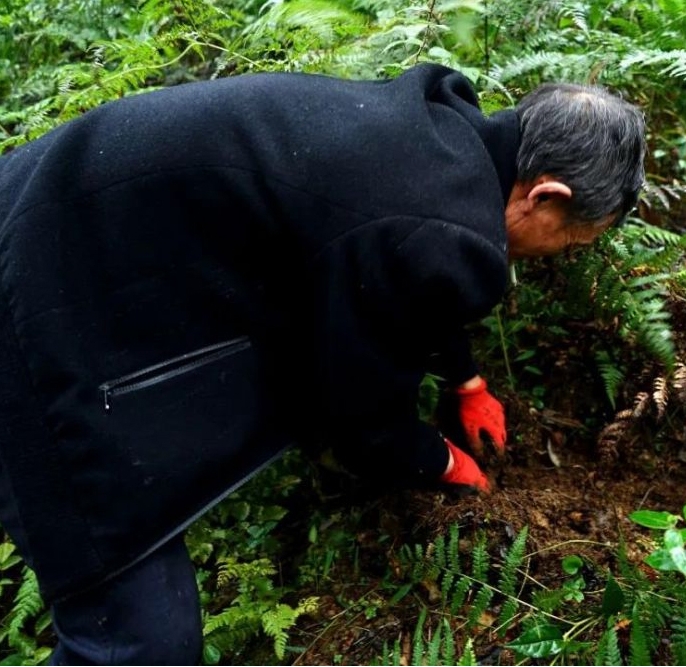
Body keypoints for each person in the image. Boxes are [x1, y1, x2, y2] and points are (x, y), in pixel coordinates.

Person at [0, 63, 645, 664]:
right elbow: (358, 413)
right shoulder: (437, 227)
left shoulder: (442, 131)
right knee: (143, 640)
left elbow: (398, 273)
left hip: (39, 207)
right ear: (544, 195)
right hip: (36, 315)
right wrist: (438, 460)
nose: (558, 254)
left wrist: (465, 380)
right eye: (570, 238)